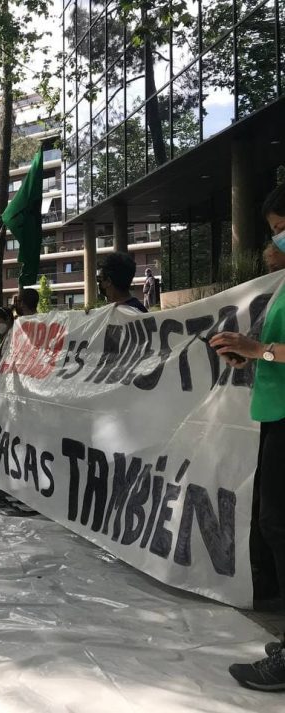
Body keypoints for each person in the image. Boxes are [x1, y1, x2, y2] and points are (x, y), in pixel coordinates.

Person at [217, 183, 285, 691]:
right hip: (276, 413)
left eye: (281, 230)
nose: (275, 242)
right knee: (272, 525)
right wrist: (251, 354)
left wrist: (256, 349)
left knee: (279, 525)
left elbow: (275, 349)